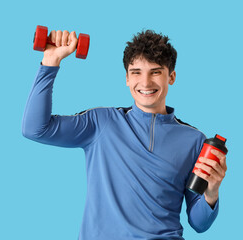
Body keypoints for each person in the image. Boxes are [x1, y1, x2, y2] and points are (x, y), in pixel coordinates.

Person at [22, 28, 227, 240]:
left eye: (155, 72)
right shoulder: (100, 123)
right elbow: (35, 129)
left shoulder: (194, 140)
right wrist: (50, 61)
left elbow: (199, 223)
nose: (145, 83)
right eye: (136, 72)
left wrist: (212, 193)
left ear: (171, 77)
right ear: (127, 78)